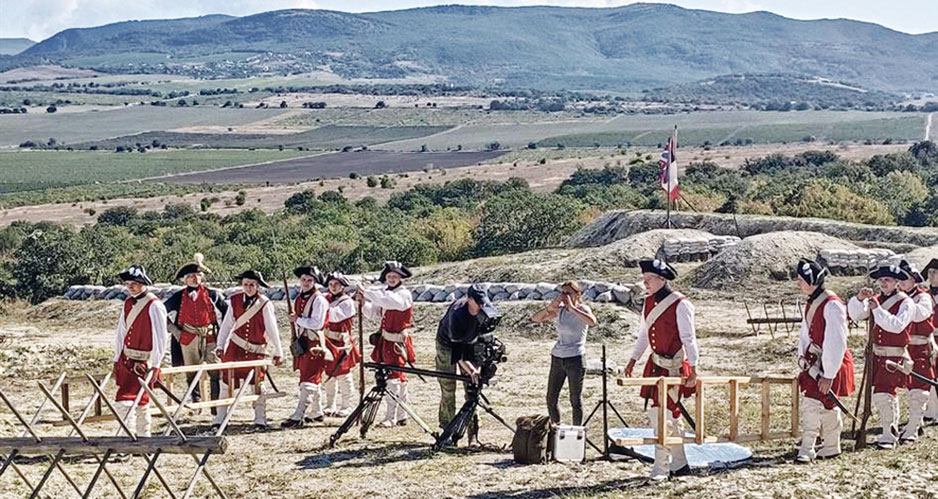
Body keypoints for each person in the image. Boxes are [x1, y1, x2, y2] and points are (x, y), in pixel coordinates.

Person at [624, 259, 698, 481]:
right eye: (644, 279)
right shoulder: (648, 303)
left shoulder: (681, 304)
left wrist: (693, 369)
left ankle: (661, 468)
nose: (645, 284)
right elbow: (644, 335)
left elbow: (689, 339)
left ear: (662, 279)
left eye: (649, 280)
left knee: (661, 416)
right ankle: (680, 463)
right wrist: (632, 359)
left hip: (674, 367)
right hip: (656, 365)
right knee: (665, 415)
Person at [793, 259, 855, 462]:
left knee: (813, 403)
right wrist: (802, 356)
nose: (798, 283)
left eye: (801, 279)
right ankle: (831, 445)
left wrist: (828, 374)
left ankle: (807, 448)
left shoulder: (832, 305)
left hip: (830, 363)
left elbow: (836, 342)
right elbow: (805, 334)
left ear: (812, 281)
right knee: (826, 404)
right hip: (815, 363)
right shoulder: (813, 301)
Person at [847, 263, 913, 449]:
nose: (883, 283)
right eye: (881, 280)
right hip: (876, 356)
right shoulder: (876, 299)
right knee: (885, 395)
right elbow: (856, 315)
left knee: (884, 395)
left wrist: (877, 309)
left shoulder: (905, 302)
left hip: (893, 356)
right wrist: (859, 299)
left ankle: (888, 435)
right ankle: (890, 432)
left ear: (896, 283)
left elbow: (896, 325)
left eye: (888, 280)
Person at [213, 270, 283, 429]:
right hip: (235, 348)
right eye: (246, 284)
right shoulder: (235, 300)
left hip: (256, 350)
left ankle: (260, 419)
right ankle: (220, 418)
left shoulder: (265, 303)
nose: (249, 288)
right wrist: (220, 345)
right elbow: (226, 325)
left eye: (252, 285)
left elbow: (272, 329)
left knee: (257, 384)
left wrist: (279, 351)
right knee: (226, 381)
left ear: (257, 286)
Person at [163, 253, 228, 412]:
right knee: (191, 371)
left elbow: (227, 312)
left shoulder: (212, 294)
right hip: (188, 337)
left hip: (210, 336)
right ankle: (196, 401)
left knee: (215, 370)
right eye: (190, 276)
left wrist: (223, 333)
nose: (194, 278)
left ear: (202, 277)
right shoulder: (178, 296)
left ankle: (215, 405)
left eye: (197, 275)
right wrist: (175, 332)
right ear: (185, 279)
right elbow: (160, 312)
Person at [357, 261, 415, 427]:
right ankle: (402, 414)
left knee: (394, 379)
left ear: (401, 278)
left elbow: (391, 302)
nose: (391, 279)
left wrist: (367, 291)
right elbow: (376, 314)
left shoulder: (403, 294)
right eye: (389, 276)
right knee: (396, 378)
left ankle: (392, 417)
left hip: (397, 342)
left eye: (395, 276)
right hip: (385, 341)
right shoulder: (384, 293)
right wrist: (363, 304)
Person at [531, 281, 597, 426]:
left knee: (575, 399)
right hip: (558, 357)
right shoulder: (560, 310)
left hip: (575, 358)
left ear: (577, 294)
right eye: (563, 293)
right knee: (551, 397)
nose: (565, 296)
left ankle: (577, 431)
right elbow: (535, 318)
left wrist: (573, 309)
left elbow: (592, 322)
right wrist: (549, 308)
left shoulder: (583, 309)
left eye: (569, 293)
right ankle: (556, 428)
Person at [436, 284, 498, 439]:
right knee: (448, 387)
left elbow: (486, 340)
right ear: (469, 299)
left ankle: (473, 436)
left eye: (483, 302)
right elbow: (457, 352)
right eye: (477, 302)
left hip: (471, 343)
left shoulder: (488, 310)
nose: (481, 305)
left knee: (472, 389)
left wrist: (478, 366)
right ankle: (448, 431)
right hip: (448, 345)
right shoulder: (458, 312)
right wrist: (471, 368)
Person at [113, 264, 168, 437]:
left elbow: (160, 337)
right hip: (127, 359)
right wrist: (117, 358)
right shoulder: (128, 302)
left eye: (134, 283)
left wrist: (156, 364)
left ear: (143, 283)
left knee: (136, 402)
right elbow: (121, 332)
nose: (130, 286)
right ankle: (135, 439)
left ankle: (136, 440)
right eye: (128, 283)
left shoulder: (154, 305)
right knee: (129, 402)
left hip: (144, 362)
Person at [282, 265, 332, 428]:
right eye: (303, 280)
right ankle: (316, 412)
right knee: (309, 378)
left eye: (309, 280)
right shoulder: (298, 298)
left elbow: (316, 324)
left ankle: (298, 415)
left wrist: (296, 319)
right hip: (303, 342)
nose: (306, 283)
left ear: (315, 282)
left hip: (315, 343)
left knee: (309, 379)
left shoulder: (319, 300)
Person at [896, 260, 935, 443]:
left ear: (914, 280)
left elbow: (920, 314)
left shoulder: (923, 298)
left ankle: (912, 427)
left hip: (920, 346)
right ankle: (916, 422)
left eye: (906, 278)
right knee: (909, 387)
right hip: (904, 347)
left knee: (919, 389)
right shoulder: (897, 297)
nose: (901, 282)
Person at [322, 272, 361, 418]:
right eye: (331, 284)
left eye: (336, 284)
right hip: (328, 342)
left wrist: (319, 308)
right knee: (329, 375)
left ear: (342, 285)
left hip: (341, 343)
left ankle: (346, 405)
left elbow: (334, 316)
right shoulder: (326, 299)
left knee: (344, 375)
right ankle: (330, 404)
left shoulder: (347, 302)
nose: (333, 287)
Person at [924, 258, 938, 424]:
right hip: (929, 338)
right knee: (930, 374)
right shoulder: (925, 296)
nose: (931, 275)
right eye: (929, 273)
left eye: (935, 272)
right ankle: (930, 409)